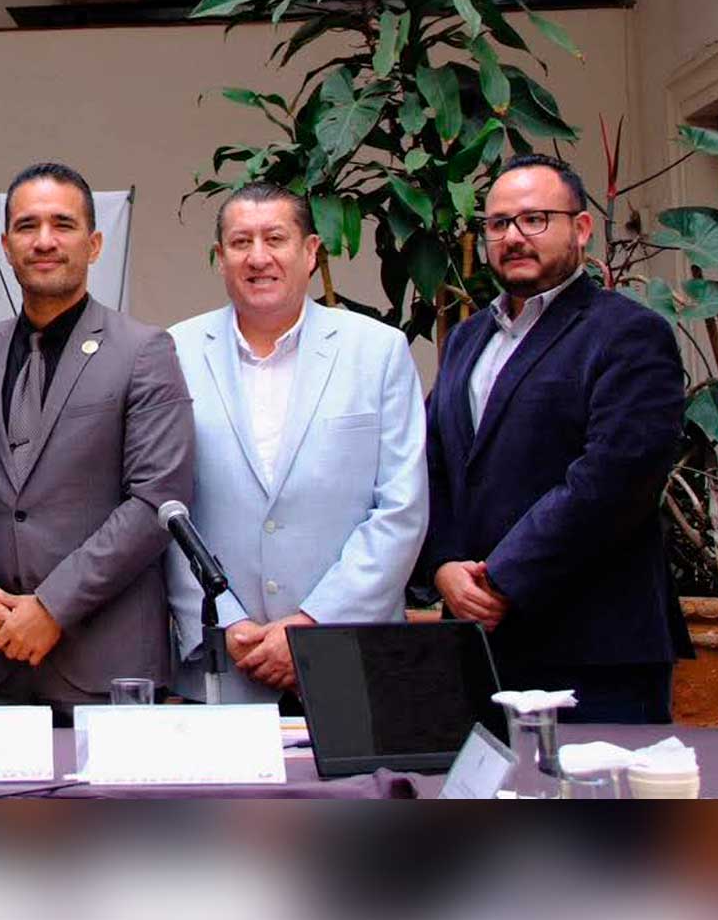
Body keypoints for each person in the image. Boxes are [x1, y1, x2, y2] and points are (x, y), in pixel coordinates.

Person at [421, 153, 690, 723]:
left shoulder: (630, 333)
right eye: (499, 223)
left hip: (595, 652)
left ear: (582, 228)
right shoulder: (468, 338)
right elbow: (433, 463)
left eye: (535, 219)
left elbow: (613, 481)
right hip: (479, 645)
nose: (514, 237)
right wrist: (444, 565)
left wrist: (500, 579)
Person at [0, 162, 194, 723]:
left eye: (62, 224)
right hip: (3, 663)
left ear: (94, 243)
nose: (44, 241)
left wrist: (53, 607)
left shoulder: (144, 351)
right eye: (27, 226)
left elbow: (156, 500)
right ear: (6, 245)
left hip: (110, 668)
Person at [166, 183, 428, 706]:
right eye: (240, 242)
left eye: (275, 239)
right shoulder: (173, 351)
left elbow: (402, 508)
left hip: (352, 658)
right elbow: (159, 505)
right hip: (226, 660)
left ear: (310, 252)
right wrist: (226, 621)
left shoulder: (377, 350)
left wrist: (315, 621)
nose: (257, 257)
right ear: (220, 257)